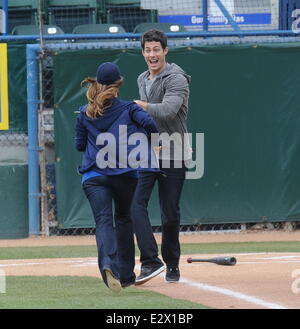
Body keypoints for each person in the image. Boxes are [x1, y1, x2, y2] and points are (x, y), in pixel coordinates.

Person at [75, 62, 160, 292]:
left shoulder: (84, 112)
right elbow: (151, 124)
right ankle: (125, 275)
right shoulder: (128, 108)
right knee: (123, 219)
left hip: (94, 175)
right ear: (118, 84)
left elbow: (79, 145)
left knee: (103, 221)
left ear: (97, 83)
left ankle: (107, 264)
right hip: (125, 174)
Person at [132, 29, 191, 285]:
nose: (152, 54)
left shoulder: (176, 78)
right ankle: (149, 261)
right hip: (148, 153)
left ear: (165, 51)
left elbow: (167, 111)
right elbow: (146, 119)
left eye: (157, 49)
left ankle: (172, 264)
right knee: (135, 205)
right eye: (148, 50)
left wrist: (140, 106)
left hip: (174, 152)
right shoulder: (142, 78)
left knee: (169, 213)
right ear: (143, 52)